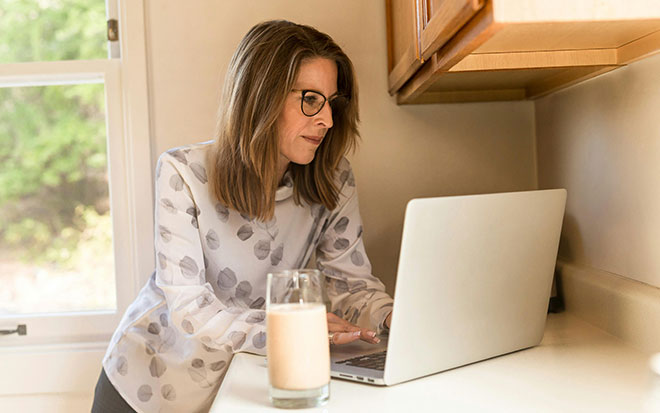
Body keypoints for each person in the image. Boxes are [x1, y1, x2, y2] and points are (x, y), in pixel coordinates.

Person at [91, 19, 394, 413]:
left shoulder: (333, 179)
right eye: (310, 99)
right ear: (260, 97)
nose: (327, 120)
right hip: (147, 386)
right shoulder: (182, 172)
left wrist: (394, 318)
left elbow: (350, 287)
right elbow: (190, 310)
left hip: (240, 387)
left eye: (332, 102)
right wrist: (292, 331)